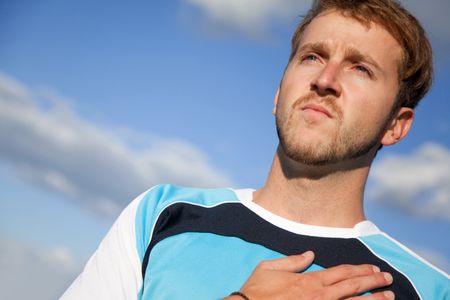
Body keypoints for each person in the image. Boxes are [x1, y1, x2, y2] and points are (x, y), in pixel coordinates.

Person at [61, 0, 450, 299]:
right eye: (312, 56)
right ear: (279, 93)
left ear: (396, 125)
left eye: (360, 68)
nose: (325, 79)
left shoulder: (428, 290)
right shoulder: (162, 215)